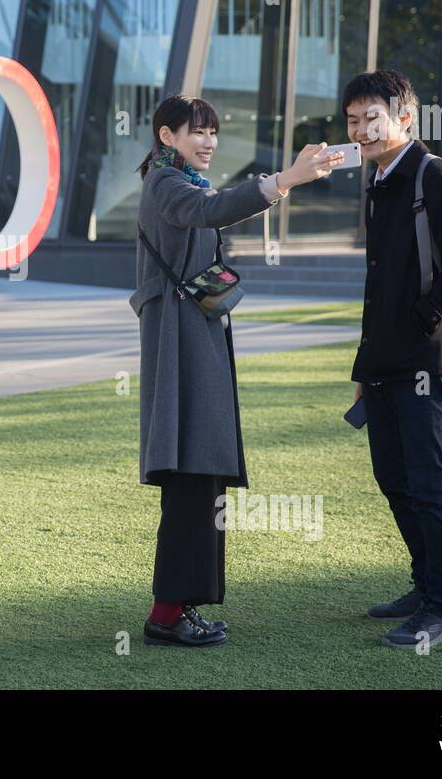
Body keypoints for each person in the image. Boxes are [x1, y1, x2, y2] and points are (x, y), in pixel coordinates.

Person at [132, 95, 342, 648]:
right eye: (196, 132)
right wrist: (285, 179)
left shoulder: (180, 181)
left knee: (200, 475)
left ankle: (176, 608)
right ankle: (166, 614)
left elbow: (209, 214)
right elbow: (211, 210)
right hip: (180, 343)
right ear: (166, 135)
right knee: (189, 474)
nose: (207, 141)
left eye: (213, 132)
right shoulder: (165, 182)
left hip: (192, 337)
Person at [344, 70, 442, 651]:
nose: (360, 131)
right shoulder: (379, 179)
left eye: (370, 117)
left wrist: (423, 320)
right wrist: (362, 367)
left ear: (404, 117)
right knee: (392, 477)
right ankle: (425, 584)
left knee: (427, 483)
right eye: (352, 121)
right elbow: (377, 284)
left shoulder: (435, 176)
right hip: (382, 360)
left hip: (424, 359)